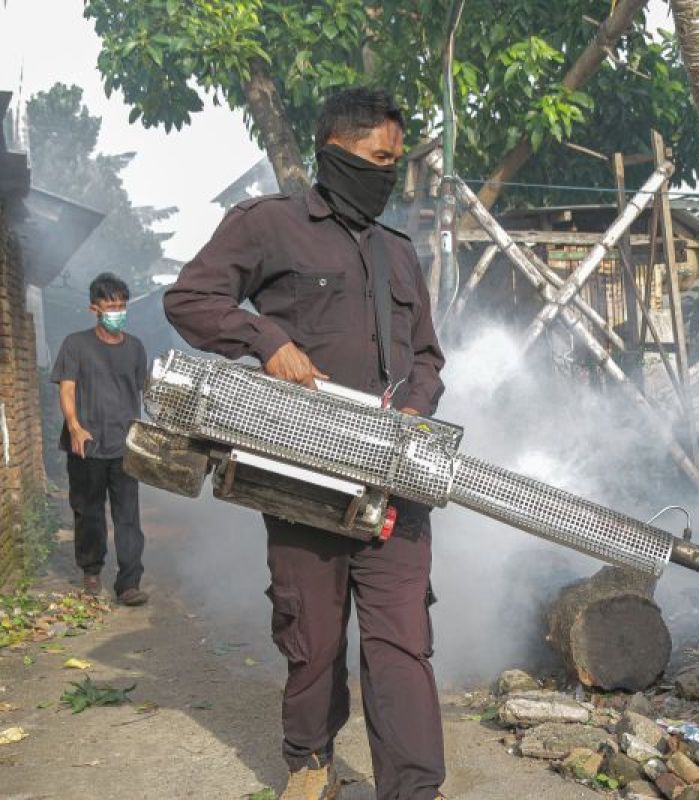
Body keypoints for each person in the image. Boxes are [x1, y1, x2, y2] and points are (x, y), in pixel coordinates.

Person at [163, 88, 446, 800]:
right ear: (336, 152)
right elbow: (190, 299)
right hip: (302, 475)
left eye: (396, 161)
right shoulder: (268, 226)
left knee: (401, 645)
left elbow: (429, 359)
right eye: (380, 159)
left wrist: (414, 412)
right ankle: (309, 760)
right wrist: (268, 340)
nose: (391, 174)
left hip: (395, 481)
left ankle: (413, 788)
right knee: (312, 637)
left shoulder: (399, 254)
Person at [51, 272, 149, 606]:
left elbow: (143, 393)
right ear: (94, 308)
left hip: (125, 445)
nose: (117, 312)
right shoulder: (75, 345)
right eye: (110, 306)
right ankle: (91, 571)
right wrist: (74, 426)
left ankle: (129, 583)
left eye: (121, 306)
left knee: (128, 518)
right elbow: (67, 388)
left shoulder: (135, 347)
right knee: (88, 512)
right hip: (87, 443)